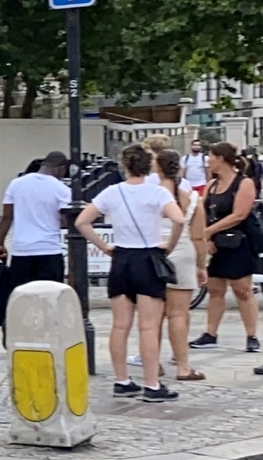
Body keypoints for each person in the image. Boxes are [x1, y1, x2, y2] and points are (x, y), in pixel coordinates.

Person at [75, 144, 184, 400]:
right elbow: (179, 219)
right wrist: (169, 244)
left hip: (121, 258)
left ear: (125, 165)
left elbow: (82, 221)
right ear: (149, 166)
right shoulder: (158, 193)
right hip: (147, 258)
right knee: (148, 327)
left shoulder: (112, 192)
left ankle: (122, 380)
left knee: (120, 325)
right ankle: (152, 385)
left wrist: (104, 246)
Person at [190, 142, 260, 358]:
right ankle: (210, 333)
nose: (208, 161)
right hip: (217, 243)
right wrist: (206, 236)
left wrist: (209, 231)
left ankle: (251, 335)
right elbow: (203, 211)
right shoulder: (211, 185)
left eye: (210, 157)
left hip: (239, 241)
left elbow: (239, 214)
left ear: (221, 159)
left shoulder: (244, 183)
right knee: (215, 289)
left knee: (242, 289)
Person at [0, 151, 72, 314]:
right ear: (61, 168)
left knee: (20, 301)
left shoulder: (16, 184)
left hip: (21, 252)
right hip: (49, 251)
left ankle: (20, 334)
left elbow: (7, 216)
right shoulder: (62, 189)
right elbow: (64, 221)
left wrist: (0, 243)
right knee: (50, 301)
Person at [154, 147, 203, 382]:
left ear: (157, 167)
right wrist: (202, 265)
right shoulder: (192, 197)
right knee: (178, 314)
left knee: (152, 315)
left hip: (154, 252)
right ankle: (183, 366)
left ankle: (153, 364)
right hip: (183, 251)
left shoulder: (149, 194)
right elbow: (198, 236)